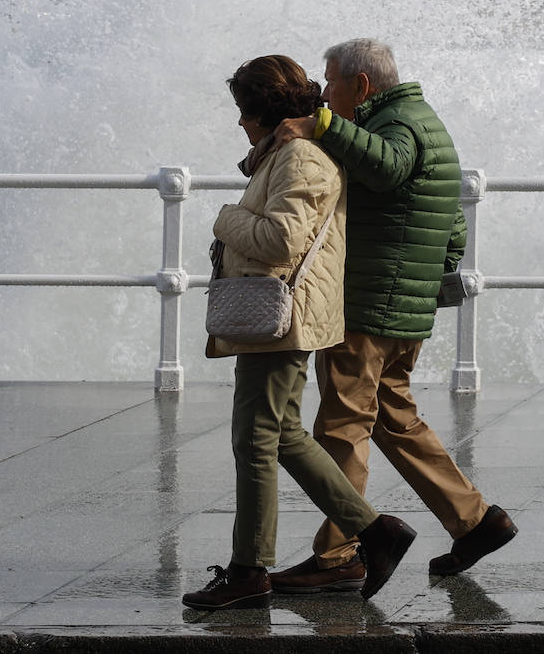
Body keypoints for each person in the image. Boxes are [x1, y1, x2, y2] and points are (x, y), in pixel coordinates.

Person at [269, 38, 517, 593]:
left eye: (331, 82)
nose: (324, 94)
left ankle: (339, 554)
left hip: (370, 306)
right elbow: (453, 228)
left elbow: (388, 168)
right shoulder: (424, 120)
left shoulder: (397, 128)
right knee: (392, 417)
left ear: (361, 84)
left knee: (341, 425)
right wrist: (422, 282)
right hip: (402, 304)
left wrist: (322, 128)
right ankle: (475, 522)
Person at [182, 54, 417, 611]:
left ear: (264, 110)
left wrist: (223, 218)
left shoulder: (301, 158)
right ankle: (375, 532)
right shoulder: (284, 154)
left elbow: (281, 241)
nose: (240, 122)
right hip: (282, 317)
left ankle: (248, 570)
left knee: (255, 440)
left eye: (244, 111)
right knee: (283, 435)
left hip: (281, 320)